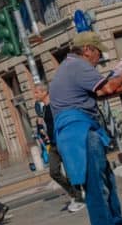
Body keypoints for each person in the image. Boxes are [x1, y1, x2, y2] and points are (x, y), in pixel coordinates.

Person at [48, 34, 122, 225]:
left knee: (106, 182)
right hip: (79, 132)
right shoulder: (78, 66)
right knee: (96, 186)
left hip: (79, 130)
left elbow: (97, 91)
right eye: (98, 54)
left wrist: (115, 79)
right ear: (88, 49)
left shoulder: (68, 67)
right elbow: (106, 90)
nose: (98, 59)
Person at [32, 78, 86, 213]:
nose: (35, 95)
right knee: (53, 172)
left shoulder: (56, 105)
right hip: (53, 144)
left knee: (70, 172)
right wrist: (44, 133)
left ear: (45, 92)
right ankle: (74, 193)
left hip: (64, 142)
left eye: (37, 92)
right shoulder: (43, 109)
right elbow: (45, 125)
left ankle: (79, 198)